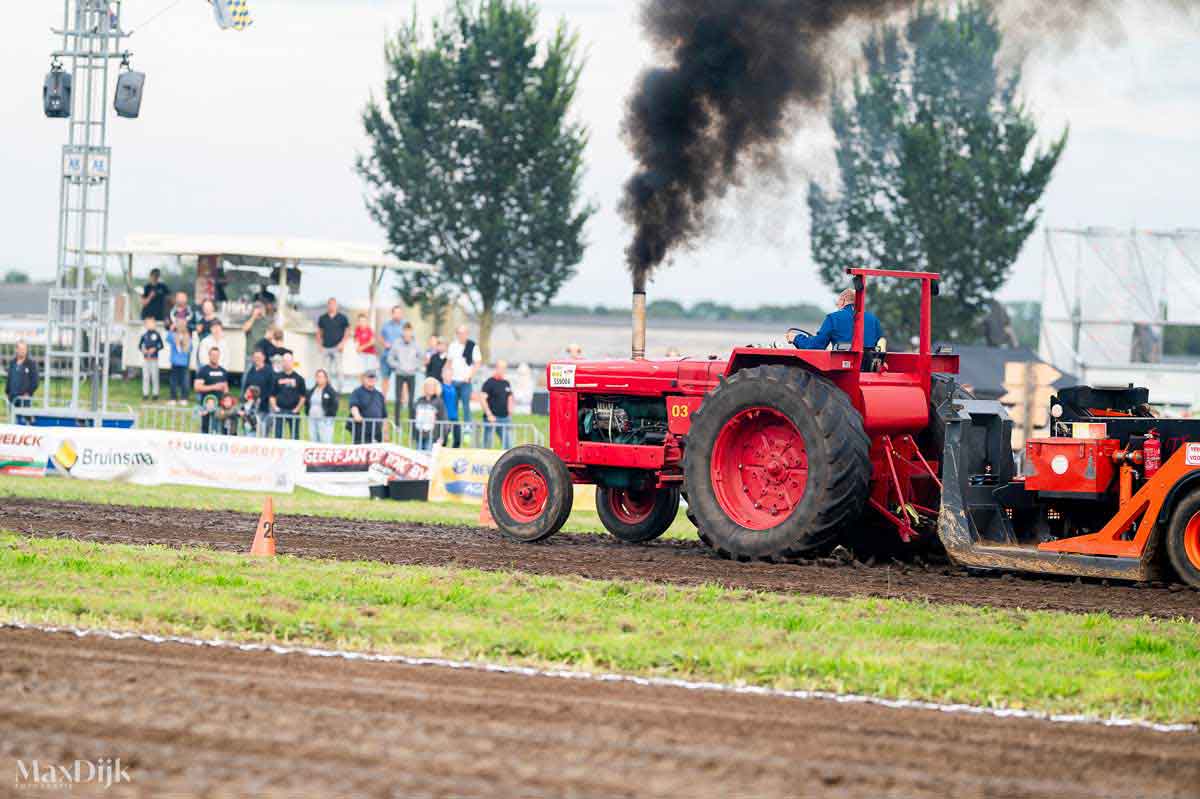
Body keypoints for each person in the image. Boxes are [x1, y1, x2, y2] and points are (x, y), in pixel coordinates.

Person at [793, 288, 883, 351]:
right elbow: (877, 338)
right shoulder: (873, 320)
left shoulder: (833, 318)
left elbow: (816, 346)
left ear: (843, 300)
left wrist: (796, 338)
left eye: (838, 302)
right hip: (867, 366)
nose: (837, 305)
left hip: (841, 369)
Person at [446, 325, 478, 439]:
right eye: (459, 333)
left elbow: (477, 363)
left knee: (466, 405)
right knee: (452, 406)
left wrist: (470, 376)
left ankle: (467, 429)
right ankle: (451, 428)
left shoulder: (473, 346)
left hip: (466, 381)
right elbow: (449, 362)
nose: (461, 335)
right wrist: (447, 376)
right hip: (454, 380)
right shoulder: (453, 346)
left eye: (463, 333)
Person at [386, 322, 421, 424]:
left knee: (411, 400)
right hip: (400, 374)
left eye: (409, 333)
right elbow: (390, 358)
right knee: (397, 399)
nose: (407, 336)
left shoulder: (416, 344)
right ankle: (397, 422)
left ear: (412, 333)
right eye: (405, 333)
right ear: (402, 332)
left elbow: (421, 358)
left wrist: (415, 366)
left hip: (411, 374)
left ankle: (412, 422)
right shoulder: (397, 343)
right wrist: (397, 366)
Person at [269, 353, 306, 439]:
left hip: (293, 412)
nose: (287, 363)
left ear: (292, 362)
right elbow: (272, 396)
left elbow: (303, 397)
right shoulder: (277, 377)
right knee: (278, 436)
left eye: (289, 361)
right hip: (280, 411)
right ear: (282, 363)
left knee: (294, 436)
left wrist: (297, 409)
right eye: (284, 361)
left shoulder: (299, 378)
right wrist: (275, 408)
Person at [479, 360, 515, 449]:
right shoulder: (489, 383)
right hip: (492, 419)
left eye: (504, 368)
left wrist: (510, 412)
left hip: (505, 418)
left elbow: (510, 397)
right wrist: (489, 415)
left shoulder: (506, 383)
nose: (503, 370)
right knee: (487, 444)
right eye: (501, 368)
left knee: (508, 445)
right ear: (497, 368)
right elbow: (482, 399)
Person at [194, 347, 229, 434]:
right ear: (209, 356)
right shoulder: (203, 370)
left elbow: (226, 389)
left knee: (220, 429)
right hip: (206, 405)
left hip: (220, 406)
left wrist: (227, 402)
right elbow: (197, 387)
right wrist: (214, 387)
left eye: (217, 355)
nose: (215, 357)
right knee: (205, 429)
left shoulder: (223, 371)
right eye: (213, 355)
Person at [317, 298, 350, 389]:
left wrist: (342, 344)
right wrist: (319, 345)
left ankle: (340, 390)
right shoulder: (322, 318)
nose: (331, 306)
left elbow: (347, 332)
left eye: (333, 304)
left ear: (336, 306)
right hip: (325, 347)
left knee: (339, 370)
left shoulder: (342, 318)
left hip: (337, 348)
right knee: (325, 371)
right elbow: (319, 332)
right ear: (328, 306)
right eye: (330, 304)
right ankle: (328, 388)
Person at [348, 369, 387, 445]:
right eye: (369, 377)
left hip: (376, 431)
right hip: (361, 430)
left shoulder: (379, 395)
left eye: (373, 377)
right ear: (363, 379)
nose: (371, 379)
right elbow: (353, 406)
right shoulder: (357, 392)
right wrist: (356, 415)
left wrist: (385, 433)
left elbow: (384, 415)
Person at [242, 349, 275, 433]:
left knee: (262, 432)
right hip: (250, 408)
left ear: (263, 358)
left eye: (259, 357)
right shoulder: (250, 370)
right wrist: (246, 396)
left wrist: (260, 399)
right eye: (255, 357)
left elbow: (271, 389)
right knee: (249, 431)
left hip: (264, 408)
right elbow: (246, 386)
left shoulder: (269, 371)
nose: (257, 359)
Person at [377, 305, 406, 399]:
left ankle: (404, 401)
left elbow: (410, 338)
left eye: (399, 313)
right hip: (387, 355)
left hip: (401, 357)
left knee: (403, 379)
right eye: (396, 313)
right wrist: (384, 343)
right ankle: (383, 400)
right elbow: (380, 337)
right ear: (392, 314)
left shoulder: (405, 325)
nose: (398, 315)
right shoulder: (386, 325)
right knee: (385, 379)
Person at [412, 377, 447, 451]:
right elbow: (414, 418)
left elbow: (444, 419)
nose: (430, 388)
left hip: (432, 436)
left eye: (432, 386)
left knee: (428, 457)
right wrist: (413, 435)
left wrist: (442, 436)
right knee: (418, 456)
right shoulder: (419, 401)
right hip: (419, 435)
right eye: (428, 386)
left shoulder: (439, 402)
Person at [307, 368, 339, 444]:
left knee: (325, 441)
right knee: (313, 440)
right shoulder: (313, 390)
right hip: (312, 419)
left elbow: (335, 404)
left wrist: (328, 415)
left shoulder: (330, 391)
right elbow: (307, 402)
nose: (319, 379)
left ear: (326, 378)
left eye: (321, 377)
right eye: (317, 376)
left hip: (325, 420)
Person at [5, 341, 39, 409]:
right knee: (12, 418)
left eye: (24, 349)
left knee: (25, 418)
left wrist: (28, 393)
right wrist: (7, 392)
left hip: (24, 400)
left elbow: (35, 382)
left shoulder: (31, 364)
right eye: (20, 349)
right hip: (12, 398)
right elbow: (9, 379)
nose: (22, 351)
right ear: (16, 350)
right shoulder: (12, 363)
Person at [166, 321, 192, 405]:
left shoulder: (188, 337)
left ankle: (184, 398)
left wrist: (183, 344)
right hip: (175, 362)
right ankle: (173, 398)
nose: (180, 327)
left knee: (184, 381)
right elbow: (167, 338)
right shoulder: (174, 336)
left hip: (184, 363)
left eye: (182, 326)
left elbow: (190, 349)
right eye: (178, 326)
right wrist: (171, 329)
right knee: (173, 381)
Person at [241, 301, 270, 373]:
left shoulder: (266, 321)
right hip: (251, 353)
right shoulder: (249, 319)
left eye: (260, 308)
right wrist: (253, 316)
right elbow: (244, 329)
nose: (259, 310)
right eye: (257, 308)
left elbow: (270, 335)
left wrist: (264, 315)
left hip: (263, 354)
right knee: (247, 374)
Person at [138, 317, 164, 401]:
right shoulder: (144, 335)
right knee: (146, 377)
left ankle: (155, 394)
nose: (150, 325)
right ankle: (145, 394)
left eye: (152, 323)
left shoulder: (157, 334)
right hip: (146, 359)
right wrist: (143, 350)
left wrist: (155, 348)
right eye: (148, 324)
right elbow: (140, 346)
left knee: (155, 377)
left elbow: (161, 345)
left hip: (154, 359)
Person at [440, 363, 461, 448]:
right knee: (444, 440)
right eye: (447, 374)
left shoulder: (455, 388)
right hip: (445, 417)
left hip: (454, 417)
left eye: (450, 374)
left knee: (457, 439)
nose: (448, 376)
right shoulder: (440, 387)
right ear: (443, 375)